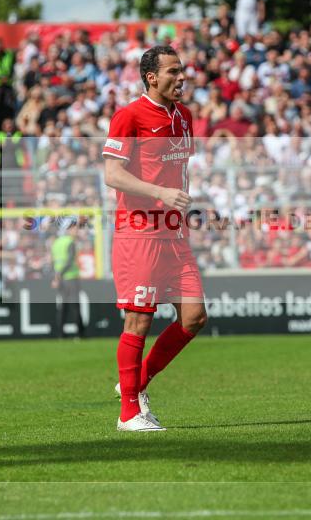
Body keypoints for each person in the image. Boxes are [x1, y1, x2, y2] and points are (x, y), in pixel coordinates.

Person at [102, 45, 209, 432]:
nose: (181, 78)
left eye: (182, 71)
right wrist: (160, 194)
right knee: (139, 320)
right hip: (140, 230)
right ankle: (129, 414)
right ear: (152, 77)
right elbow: (113, 175)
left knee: (194, 317)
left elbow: (181, 170)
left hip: (173, 232)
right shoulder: (128, 116)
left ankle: (134, 384)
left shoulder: (184, 117)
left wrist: (179, 201)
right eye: (173, 72)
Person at [51, 221, 83, 338]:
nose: (76, 231)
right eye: (74, 229)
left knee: (63, 307)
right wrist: (60, 274)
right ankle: (79, 334)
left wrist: (56, 276)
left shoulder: (56, 243)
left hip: (60, 279)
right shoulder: (70, 242)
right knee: (75, 306)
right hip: (70, 277)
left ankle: (60, 334)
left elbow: (53, 262)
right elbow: (70, 261)